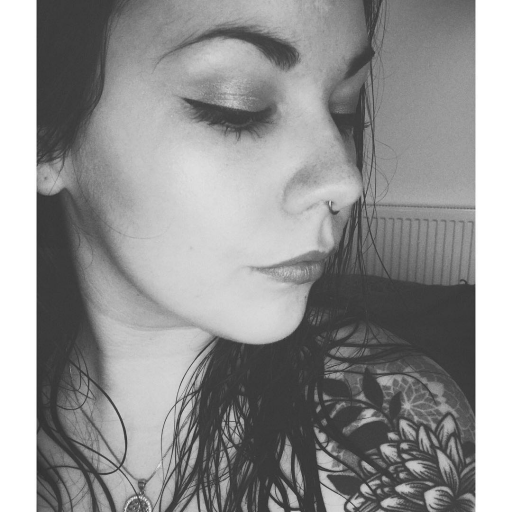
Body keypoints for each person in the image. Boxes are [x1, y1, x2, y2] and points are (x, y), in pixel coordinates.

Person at [37, 0, 475, 511]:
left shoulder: (406, 432)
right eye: (237, 107)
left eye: (344, 109)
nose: (345, 180)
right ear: (45, 137)